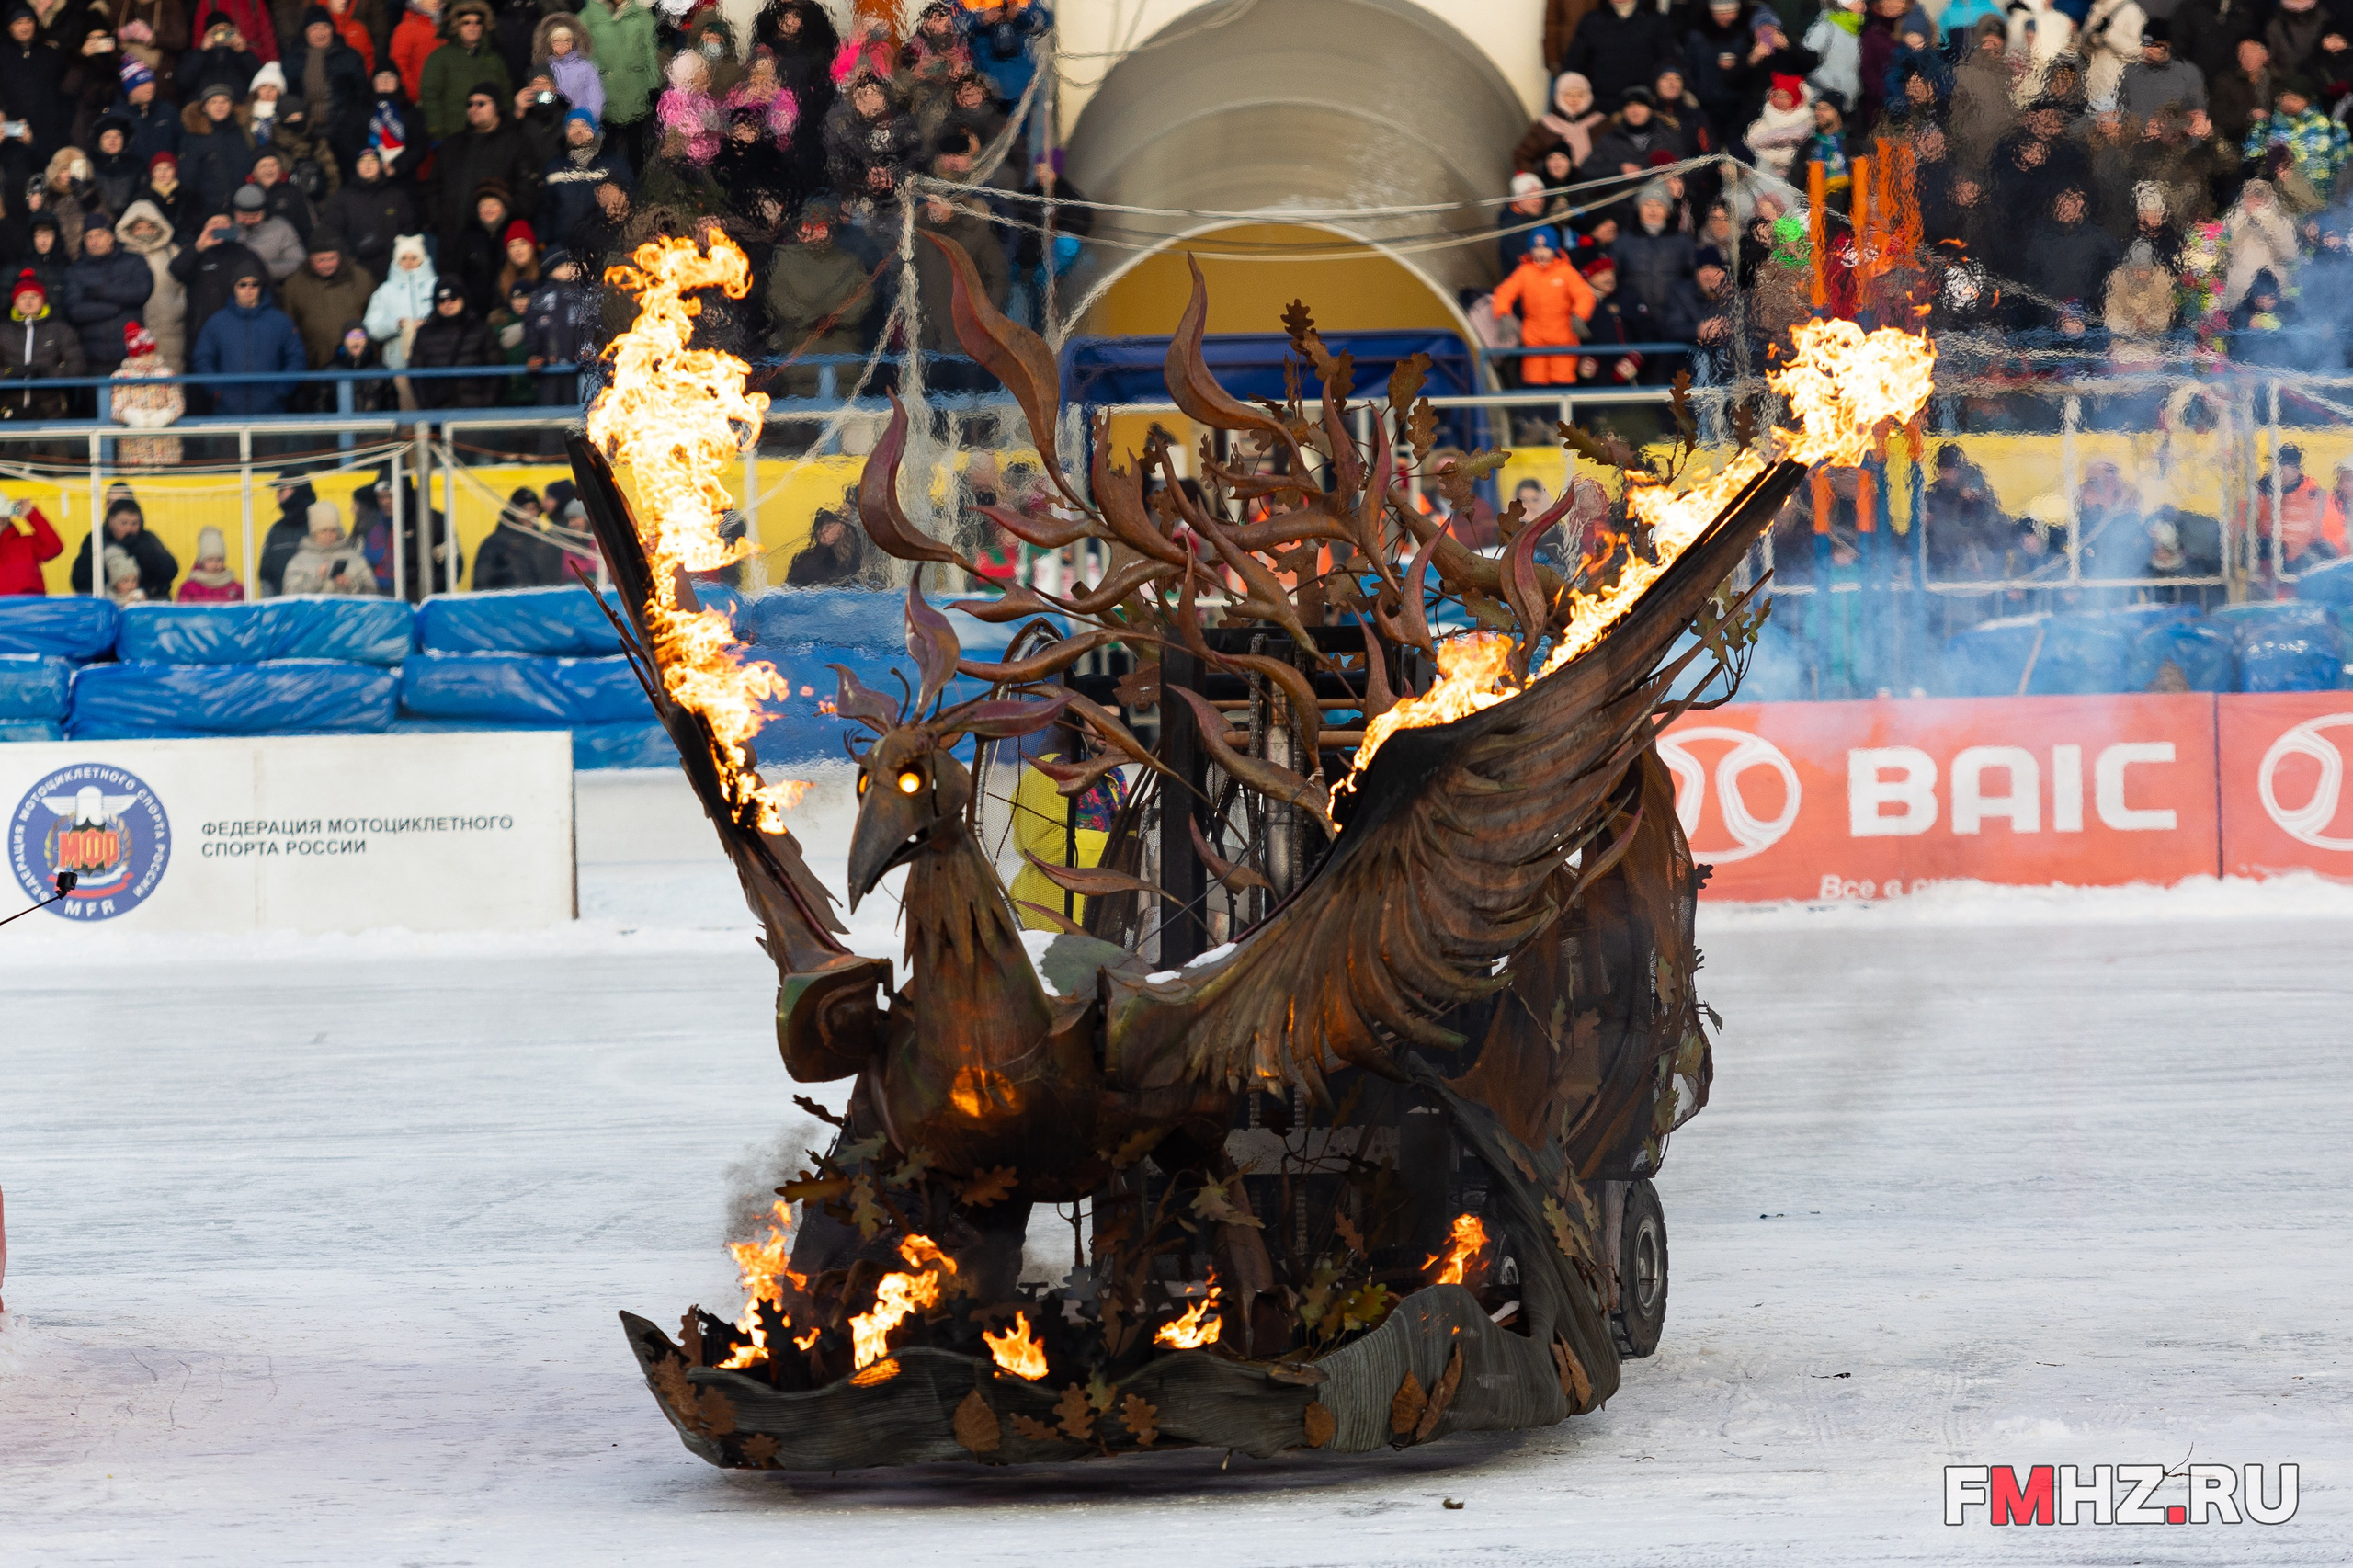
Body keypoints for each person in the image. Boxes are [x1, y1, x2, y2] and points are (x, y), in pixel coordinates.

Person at [765, 204, 869, 396]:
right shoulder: (786, 260)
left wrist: (839, 318)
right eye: (808, 226)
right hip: (799, 346)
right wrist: (810, 318)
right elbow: (778, 296)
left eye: (820, 226)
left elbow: (864, 296)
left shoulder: (850, 263)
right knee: (800, 400)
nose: (814, 232)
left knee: (848, 396)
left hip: (843, 347)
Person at [188, 258, 303, 415]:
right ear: (234, 287)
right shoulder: (217, 322)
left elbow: (296, 358)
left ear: (261, 288)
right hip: (227, 412)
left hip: (272, 412)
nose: (248, 289)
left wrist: (281, 389)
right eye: (242, 284)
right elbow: (202, 359)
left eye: (254, 284)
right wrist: (216, 389)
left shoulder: (280, 321)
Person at [431, 85, 537, 253]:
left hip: (496, 240)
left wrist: (502, 218)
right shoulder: (452, 144)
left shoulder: (516, 143)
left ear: (497, 107)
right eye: (470, 104)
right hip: (452, 238)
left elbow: (527, 191)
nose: (474, 109)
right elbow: (433, 187)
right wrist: (438, 218)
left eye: (481, 103)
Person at [1490, 225, 1596, 386]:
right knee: (1535, 386)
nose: (1540, 252)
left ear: (1554, 250)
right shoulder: (1525, 271)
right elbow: (1504, 292)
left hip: (1563, 342)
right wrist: (1503, 314)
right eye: (1536, 248)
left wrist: (1579, 315)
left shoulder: (1566, 271)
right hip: (1534, 342)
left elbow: (1584, 294)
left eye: (1545, 248)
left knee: (1562, 386)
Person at [60, 210, 152, 373]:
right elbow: (75, 311)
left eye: (99, 235)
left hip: (131, 355)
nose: (94, 241)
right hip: (91, 358)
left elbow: (141, 292)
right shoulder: (75, 271)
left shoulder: (134, 261)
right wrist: (114, 308)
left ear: (111, 237)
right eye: (89, 237)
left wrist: (101, 292)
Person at [574, 0, 658, 168]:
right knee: (607, 149)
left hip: (636, 90)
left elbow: (651, 52)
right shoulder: (586, 17)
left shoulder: (641, 14)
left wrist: (654, 85)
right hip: (604, 93)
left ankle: (636, 179)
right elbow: (582, 59)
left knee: (637, 149)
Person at [539, 105, 626, 256]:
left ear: (594, 130)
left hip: (604, 248)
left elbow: (628, 200)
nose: (578, 131)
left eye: (584, 125)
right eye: (572, 126)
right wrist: (542, 242)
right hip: (562, 248)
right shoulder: (553, 167)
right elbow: (544, 208)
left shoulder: (612, 164)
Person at [316, 142, 410, 280]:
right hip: (355, 270)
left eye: (373, 161)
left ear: (381, 165)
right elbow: (332, 233)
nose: (368, 165)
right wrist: (350, 258)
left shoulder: (396, 196)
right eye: (363, 161)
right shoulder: (342, 198)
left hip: (393, 268)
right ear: (356, 166)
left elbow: (408, 230)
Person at [280, 226, 369, 368]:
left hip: (358, 365)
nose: (327, 265)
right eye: (321, 260)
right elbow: (288, 325)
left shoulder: (361, 278)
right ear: (310, 259)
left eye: (332, 258)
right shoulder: (294, 285)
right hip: (315, 365)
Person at [0, 269, 85, 417]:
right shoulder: (3, 331)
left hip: (51, 411)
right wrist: (9, 372)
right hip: (8, 410)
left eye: (34, 296)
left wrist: (48, 373)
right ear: (15, 302)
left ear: (42, 300)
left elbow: (77, 366)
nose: (28, 301)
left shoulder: (60, 330)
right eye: (23, 297)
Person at [418, 0, 506, 142]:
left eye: (478, 22)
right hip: (453, 135)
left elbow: (505, 94)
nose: (473, 26)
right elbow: (430, 96)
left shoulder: (495, 59)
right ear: (456, 26)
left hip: (491, 137)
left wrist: (505, 127)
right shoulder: (440, 57)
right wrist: (437, 130)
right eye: (466, 22)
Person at [405, 275, 493, 407]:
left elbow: (496, 368)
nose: (448, 304)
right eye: (441, 300)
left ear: (463, 298)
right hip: (439, 410)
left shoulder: (481, 330)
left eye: (453, 298)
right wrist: (426, 406)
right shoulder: (425, 333)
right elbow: (416, 373)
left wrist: (487, 403)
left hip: (476, 409)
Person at [178, 78, 259, 215]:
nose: (219, 106)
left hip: (245, 206)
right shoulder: (194, 137)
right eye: (213, 102)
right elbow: (188, 178)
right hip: (209, 210)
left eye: (224, 101)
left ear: (231, 105)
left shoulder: (243, 131)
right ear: (204, 107)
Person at [70, 494, 176, 596]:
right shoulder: (96, 540)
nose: (129, 528)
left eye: (135, 523)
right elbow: (79, 581)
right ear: (111, 521)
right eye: (124, 523)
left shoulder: (147, 539)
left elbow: (170, 570)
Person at [111, 318, 182, 463]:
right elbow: (116, 408)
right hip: (134, 453)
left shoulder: (166, 374)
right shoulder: (120, 377)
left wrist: (165, 415)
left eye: (151, 352)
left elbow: (177, 403)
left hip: (165, 452)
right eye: (145, 353)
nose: (149, 357)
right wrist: (130, 415)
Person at [472, 484, 571, 585]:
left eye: (533, 508)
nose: (529, 514)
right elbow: (481, 581)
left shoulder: (544, 542)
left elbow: (556, 578)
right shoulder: (495, 543)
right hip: (509, 596)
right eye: (523, 509)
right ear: (513, 512)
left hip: (543, 595)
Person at [279, 498, 375, 593]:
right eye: (324, 531)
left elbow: (372, 590)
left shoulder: (354, 558)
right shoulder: (299, 561)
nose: (329, 535)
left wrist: (351, 585)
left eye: (333, 530)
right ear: (314, 533)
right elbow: (290, 593)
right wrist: (317, 580)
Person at [531, 10, 600, 125]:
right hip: (553, 126)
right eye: (557, 41)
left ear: (573, 42)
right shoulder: (544, 69)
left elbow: (595, 100)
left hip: (580, 125)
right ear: (549, 43)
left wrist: (583, 121)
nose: (562, 45)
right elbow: (539, 100)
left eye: (567, 40)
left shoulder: (586, 68)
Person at [227, 180, 302, 281]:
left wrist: (263, 270)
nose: (248, 221)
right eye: (244, 216)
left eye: (254, 216)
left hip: (270, 284)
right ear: (235, 212)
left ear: (264, 212)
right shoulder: (225, 227)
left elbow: (298, 261)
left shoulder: (281, 228)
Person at [784, 506, 861, 585]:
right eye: (820, 528)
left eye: (829, 526)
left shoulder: (859, 544)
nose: (824, 531)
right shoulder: (808, 561)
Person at [0, 496, 61, 593]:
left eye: (2, 516)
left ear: (8, 518)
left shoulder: (27, 544)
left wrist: (31, 514)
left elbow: (54, 546)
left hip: (31, 602)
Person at [175, 523, 243, 600]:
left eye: (219, 560)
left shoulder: (236, 588)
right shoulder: (189, 588)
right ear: (202, 562)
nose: (215, 565)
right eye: (210, 560)